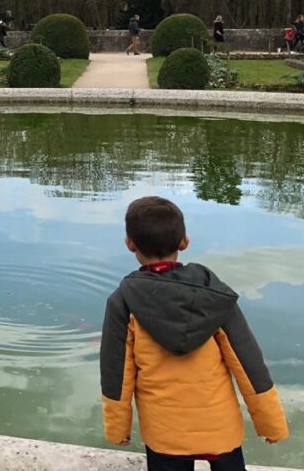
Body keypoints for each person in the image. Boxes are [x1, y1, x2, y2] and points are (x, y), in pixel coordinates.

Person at [101, 196, 288, 470]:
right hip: (219, 427)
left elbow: (117, 372)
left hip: (164, 433)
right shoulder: (215, 296)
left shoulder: (123, 302)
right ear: (184, 242)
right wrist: (271, 424)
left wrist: (118, 428)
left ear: (130, 243)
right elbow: (248, 364)